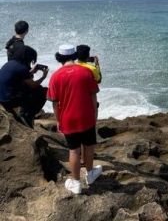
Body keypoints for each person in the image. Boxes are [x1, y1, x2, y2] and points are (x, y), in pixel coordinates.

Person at [47, 44, 102, 194]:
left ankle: (76, 183)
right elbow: (93, 95)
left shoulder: (55, 76)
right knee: (89, 146)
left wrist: (58, 120)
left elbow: (54, 103)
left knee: (74, 150)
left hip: (68, 118)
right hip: (86, 116)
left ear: (60, 58)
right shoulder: (85, 72)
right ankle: (90, 174)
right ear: (74, 56)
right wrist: (94, 115)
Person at [0, 45, 48, 128]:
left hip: (1, 96)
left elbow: (18, 77)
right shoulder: (22, 69)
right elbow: (33, 85)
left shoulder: (10, 63)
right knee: (43, 91)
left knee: (29, 88)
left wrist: (31, 72)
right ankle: (27, 115)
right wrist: (44, 76)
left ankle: (25, 111)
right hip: (8, 100)